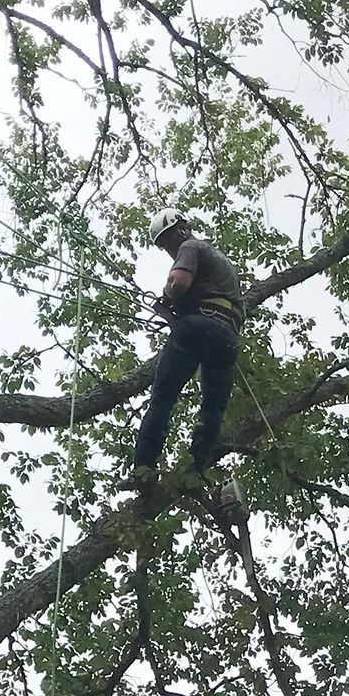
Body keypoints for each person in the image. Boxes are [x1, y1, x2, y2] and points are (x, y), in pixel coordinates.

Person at [130, 208, 243, 499]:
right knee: (212, 409)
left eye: (169, 243)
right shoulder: (222, 264)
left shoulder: (190, 246)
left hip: (197, 328)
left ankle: (143, 467)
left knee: (163, 397)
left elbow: (178, 283)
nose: (170, 250)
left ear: (182, 229)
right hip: (227, 339)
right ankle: (197, 468)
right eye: (165, 247)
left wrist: (168, 297)